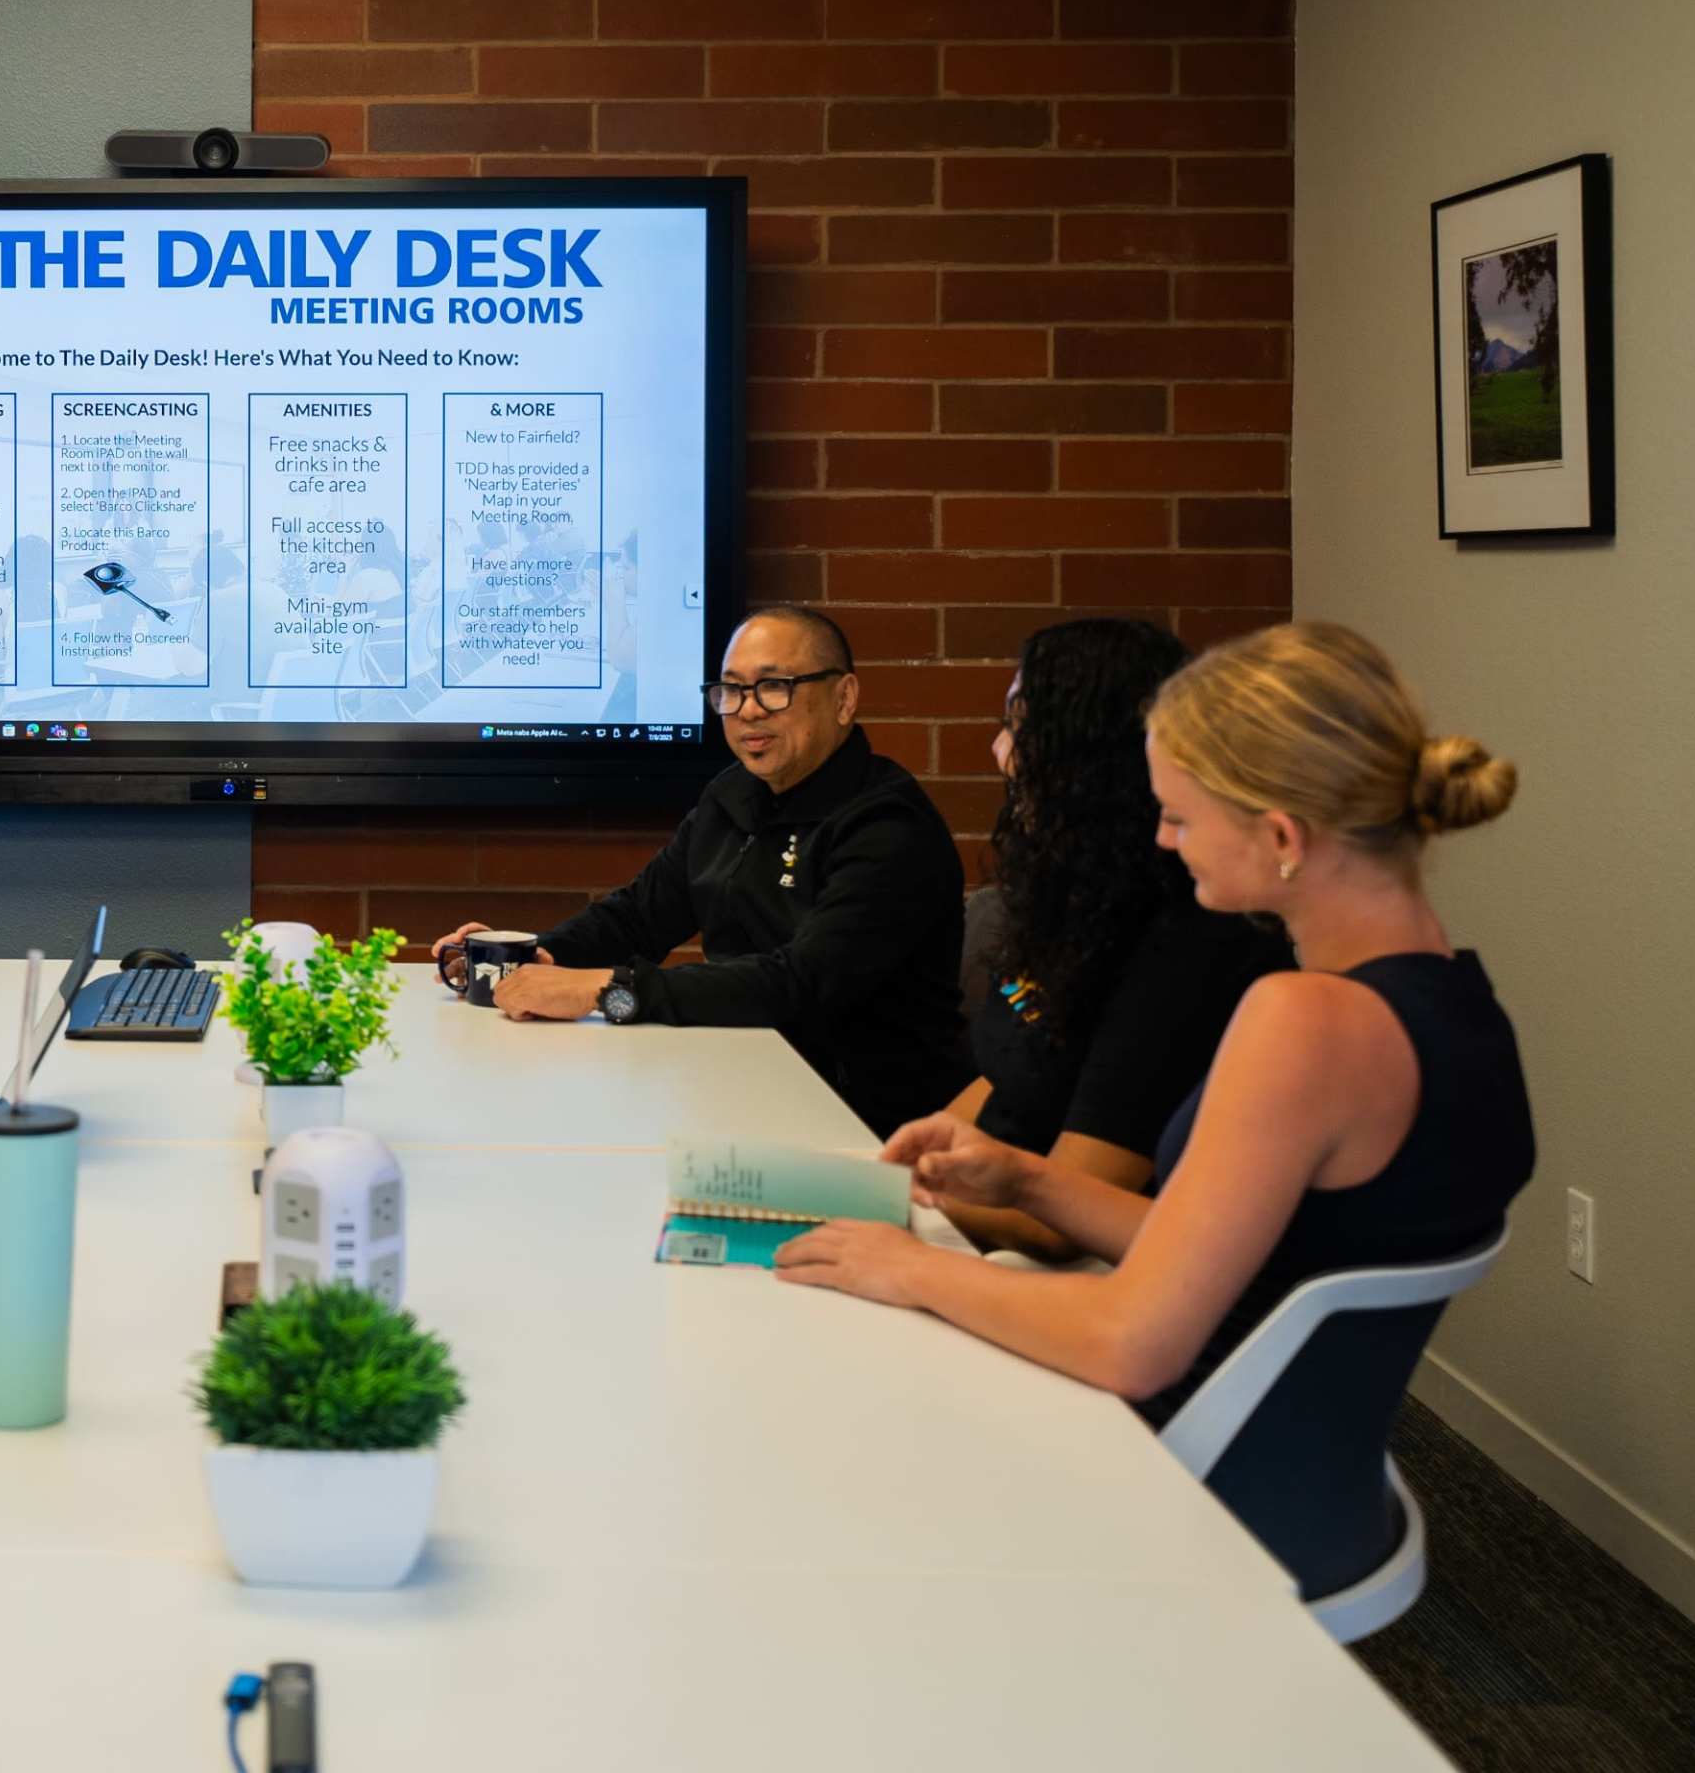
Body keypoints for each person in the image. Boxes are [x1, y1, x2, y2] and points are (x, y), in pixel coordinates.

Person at [771, 622, 1535, 1590]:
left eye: (1178, 815)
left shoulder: (1302, 1022)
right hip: (1312, 1475)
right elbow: (1242, 1242)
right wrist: (1029, 1180)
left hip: (1195, 1481)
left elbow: (1130, 1341)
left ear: (1283, 838)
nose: (1163, 839)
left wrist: (910, 1267)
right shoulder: (1459, 1002)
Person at [436, 603, 971, 1134]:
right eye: (731, 690)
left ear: (844, 697)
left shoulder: (887, 825)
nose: (748, 711)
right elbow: (639, 917)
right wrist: (527, 957)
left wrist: (606, 991)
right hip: (743, 1085)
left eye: (774, 686)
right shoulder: (734, 795)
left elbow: (799, 986)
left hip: (864, 1125)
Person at [936, 618, 1291, 1259]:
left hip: (1072, 1264)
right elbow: (1008, 1078)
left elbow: (1064, 1223)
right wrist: (884, 1167)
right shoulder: (1081, 896)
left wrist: (894, 1203)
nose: (999, 753)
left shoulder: (1194, 944)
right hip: (997, 1230)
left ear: (1086, 758)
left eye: (1018, 726)